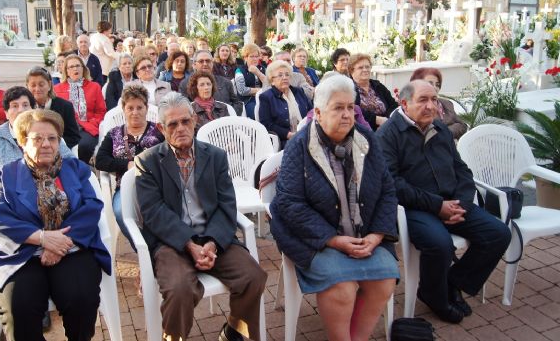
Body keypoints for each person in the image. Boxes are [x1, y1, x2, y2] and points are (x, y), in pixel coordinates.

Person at [270, 75, 398, 341]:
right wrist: (334, 240)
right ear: (318, 113)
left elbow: (387, 189)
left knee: (384, 280)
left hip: (365, 234)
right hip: (316, 239)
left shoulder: (366, 140)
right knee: (343, 287)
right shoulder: (299, 147)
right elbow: (289, 204)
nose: (347, 114)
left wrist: (377, 235)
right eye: (338, 108)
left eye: (351, 107)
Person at [134, 92, 267, 341]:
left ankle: (235, 331)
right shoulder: (148, 161)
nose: (180, 128)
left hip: (213, 237)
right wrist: (189, 244)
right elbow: (153, 212)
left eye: (185, 121)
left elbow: (227, 205)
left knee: (253, 277)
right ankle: (174, 337)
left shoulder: (215, 156)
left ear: (194, 120)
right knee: (180, 288)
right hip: (171, 242)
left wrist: (211, 243)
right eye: (172, 124)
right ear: (162, 129)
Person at [376, 80, 511, 323]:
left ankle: (451, 283)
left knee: (498, 233)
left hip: (453, 202)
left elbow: (462, 170)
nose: (431, 106)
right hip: (415, 208)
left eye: (434, 100)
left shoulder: (439, 128)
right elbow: (393, 184)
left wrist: (463, 204)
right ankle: (435, 296)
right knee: (440, 244)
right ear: (404, 103)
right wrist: (438, 206)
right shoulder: (388, 135)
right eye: (423, 100)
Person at [0, 109, 110, 341]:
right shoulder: (5, 175)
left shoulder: (76, 170)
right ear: (23, 142)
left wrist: (59, 244)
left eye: (52, 138)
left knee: (81, 298)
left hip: (70, 249)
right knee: (19, 308)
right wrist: (43, 238)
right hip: (23, 254)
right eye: (37, 138)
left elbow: (92, 207)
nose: (46, 144)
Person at [95, 85, 164, 246]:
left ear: (146, 108)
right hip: (124, 188)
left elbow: (170, 155)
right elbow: (100, 161)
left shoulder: (159, 131)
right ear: (123, 109)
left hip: (157, 185)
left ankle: (160, 248)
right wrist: (127, 165)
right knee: (120, 212)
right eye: (130, 108)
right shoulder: (114, 133)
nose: (135, 112)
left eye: (140, 107)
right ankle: (146, 248)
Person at [0, 86, 74, 191]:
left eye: (25, 105)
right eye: (14, 106)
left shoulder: (47, 131)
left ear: (33, 110)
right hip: (11, 198)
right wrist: (9, 185)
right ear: (6, 113)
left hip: (49, 193)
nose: (21, 110)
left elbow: (72, 163)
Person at [54, 55, 106, 164]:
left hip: (87, 127)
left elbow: (101, 112)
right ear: (66, 71)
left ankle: (82, 171)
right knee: (61, 146)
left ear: (83, 68)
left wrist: (91, 123)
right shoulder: (57, 89)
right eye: (71, 67)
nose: (75, 69)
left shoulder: (94, 86)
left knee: (84, 146)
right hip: (65, 129)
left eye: (78, 66)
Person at [258, 61, 312, 145]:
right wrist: (288, 134)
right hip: (285, 140)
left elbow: (311, 112)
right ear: (272, 80)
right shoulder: (266, 97)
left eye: (287, 75)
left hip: (307, 134)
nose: (285, 77)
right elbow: (267, 124)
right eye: (280, 75)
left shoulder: (299, 92)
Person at [26, 66, 81, 149]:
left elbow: (74, 137)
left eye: (41, 85)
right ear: (27, 86)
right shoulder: (25, 108)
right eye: (33, 85)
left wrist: (53, 145)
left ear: (49, 85)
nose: (37, 89)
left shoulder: (65, 106)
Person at [410, 67, 468, 140]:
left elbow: (462, 126)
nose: (435, 87)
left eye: (437, 84)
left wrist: (444, 133)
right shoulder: (414, 108)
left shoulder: (447, 104)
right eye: (430, 83)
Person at [179, 50, 243, 115]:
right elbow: (184, 108)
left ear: (212, 63)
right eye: (201, 61)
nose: (205, 64)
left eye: (208, 61)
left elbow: (237, 103)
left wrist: (227, 115)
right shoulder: (185, 84)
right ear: (194, 65)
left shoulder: (226, 82)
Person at [348, 53, 398, 130]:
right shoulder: (348, 89)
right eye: (360, 68)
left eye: (367, 67)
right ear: (352, 71)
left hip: (387, 126)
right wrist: (376, 120)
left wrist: (387, 121)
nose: (365, 70)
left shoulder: (377, 85)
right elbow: (353, 110)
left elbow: (393, 105)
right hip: (364, 130)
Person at [234, 44, 268, 120]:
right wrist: (260, 90)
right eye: (251, 56)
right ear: (245, 57)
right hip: (248, 100)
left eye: (256, 56)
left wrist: (258, 73)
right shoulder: (239, 70)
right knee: (257, 111)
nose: (255, 59)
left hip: (264, 98)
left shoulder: (263, 69)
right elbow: (242, 90)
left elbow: (269, 86)